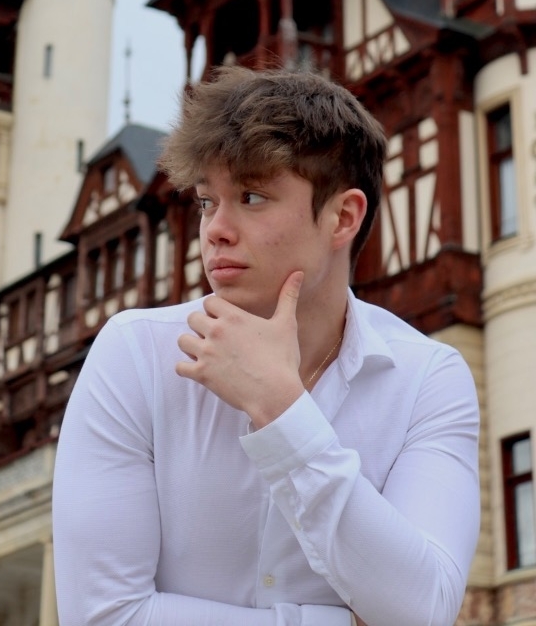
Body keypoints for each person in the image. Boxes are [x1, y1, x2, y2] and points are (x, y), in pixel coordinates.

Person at [52, 67, 480, 626]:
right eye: (207, 201)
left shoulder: (428, 379)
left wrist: (282, 410)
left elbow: (424, 610)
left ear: (343, 217)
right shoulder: (135, 355)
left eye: (251, 197)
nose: (215, 229)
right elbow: (103, 616)